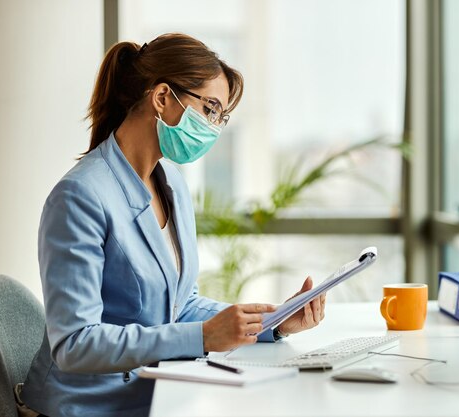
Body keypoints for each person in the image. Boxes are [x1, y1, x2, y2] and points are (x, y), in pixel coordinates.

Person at [20, 33, 326, 417]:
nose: (214, 127)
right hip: (84, 407)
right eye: (210, 109)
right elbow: (76, 344)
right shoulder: (79, 196)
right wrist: (201, 337)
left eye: (221, 116)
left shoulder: (173, 185)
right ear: (162, 98)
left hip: (153, 393)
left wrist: (272, 322)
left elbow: (180, 305)